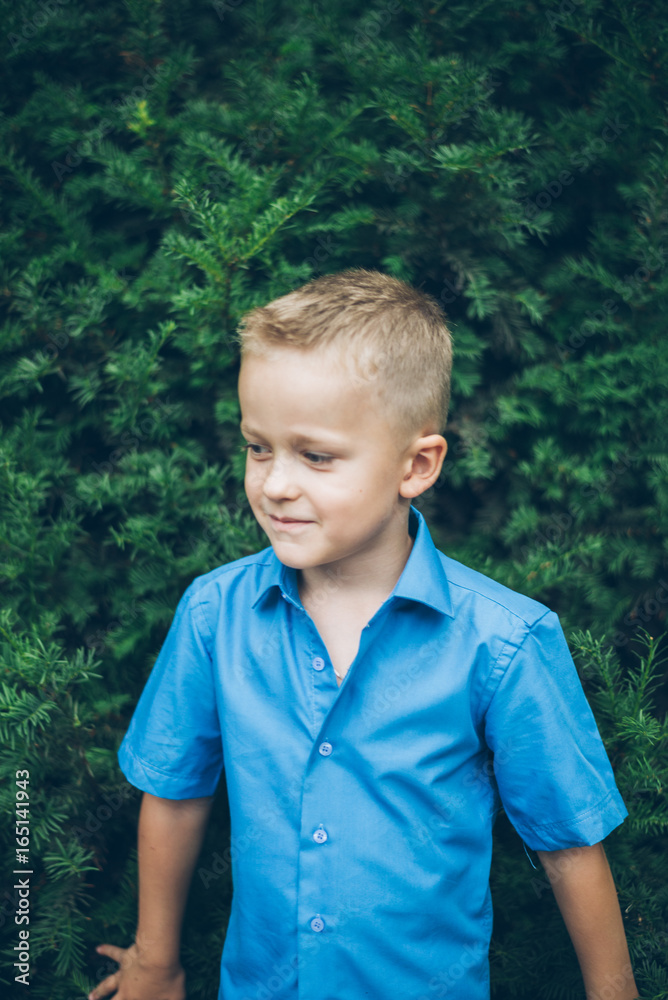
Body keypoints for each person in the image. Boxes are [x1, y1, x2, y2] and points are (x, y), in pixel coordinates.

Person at [89, 268, 639, 1000]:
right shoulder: (213, 616)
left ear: (417, 465)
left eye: (315, 456)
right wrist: (156, 959)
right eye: (259, 447)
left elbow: (569, 843)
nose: (276, 483)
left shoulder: (503, 643)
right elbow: (175, 789)